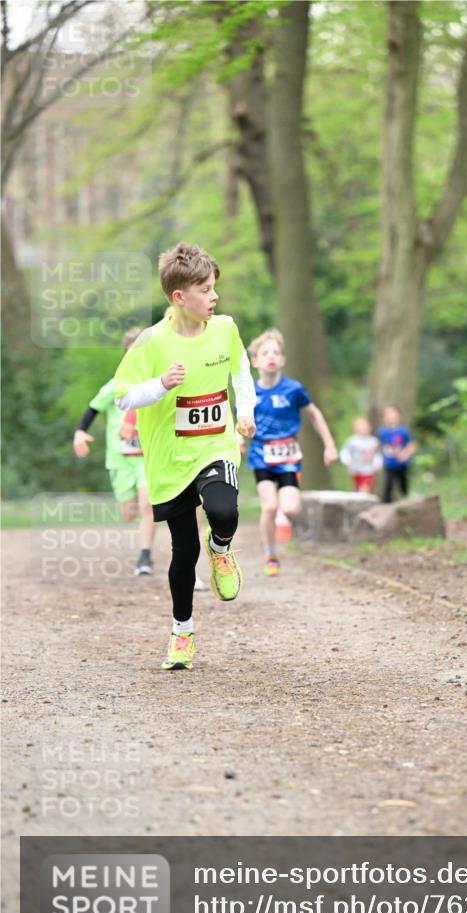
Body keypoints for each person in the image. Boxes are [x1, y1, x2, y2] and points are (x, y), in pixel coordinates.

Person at [113, 242, 256, 670]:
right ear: (179, 296)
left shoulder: (225, 328)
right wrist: (160, 384)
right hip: (171, 459)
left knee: (224, 511)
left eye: (214, 288)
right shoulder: (151, 342)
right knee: (183, 550)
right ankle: (182, 632)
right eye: (206, 290)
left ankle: (222, 547)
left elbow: (241, 371)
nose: (215, 297)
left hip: (215, 444)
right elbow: (123, 397)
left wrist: (245, 412)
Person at [246, 328, 337, 577]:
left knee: (290, 509)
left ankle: (281, 523)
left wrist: (329, 445)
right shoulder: (249, 392)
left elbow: (314, 414)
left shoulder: (293, 389)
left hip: (288, 456)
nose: (271, 356)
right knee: (269, 507)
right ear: (255, 361)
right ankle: (271, 554)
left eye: (276, 352)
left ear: (283, 359)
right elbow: (239, 421)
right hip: (261, 454)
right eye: (265, 353)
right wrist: (237, 439)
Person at [73, 327, 156, 575]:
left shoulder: (156, 384)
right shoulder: (115, 385)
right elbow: (93, 408)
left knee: (148, 505)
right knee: (129, 512)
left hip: (147, 458)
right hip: (119, 459)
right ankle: (140, 531)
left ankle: (144, 556)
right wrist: (80, 432)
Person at [377, 404, 416, 503]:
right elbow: (378, 444)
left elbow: (411, 445)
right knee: (388, 485)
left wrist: (405, 454)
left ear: (398, 417)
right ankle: (386, 504)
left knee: (403, 484)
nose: (390, 419)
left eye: (393, 417)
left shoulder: (403, 431)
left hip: (402, 464)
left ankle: (406, 501)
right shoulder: (382, 431)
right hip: (389, 464)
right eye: (388, 417)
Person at [340, 416, 382, 493]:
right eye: (360, 426)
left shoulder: (373, 441)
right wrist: (346, 459)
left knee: (364, 489)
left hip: (368, 471)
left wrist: (377, 464)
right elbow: (345, 451)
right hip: (355, 470)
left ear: (369, 427)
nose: (362, 428)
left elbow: (377, 454)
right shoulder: (352, 441)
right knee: (356, 490)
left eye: (364, 426)